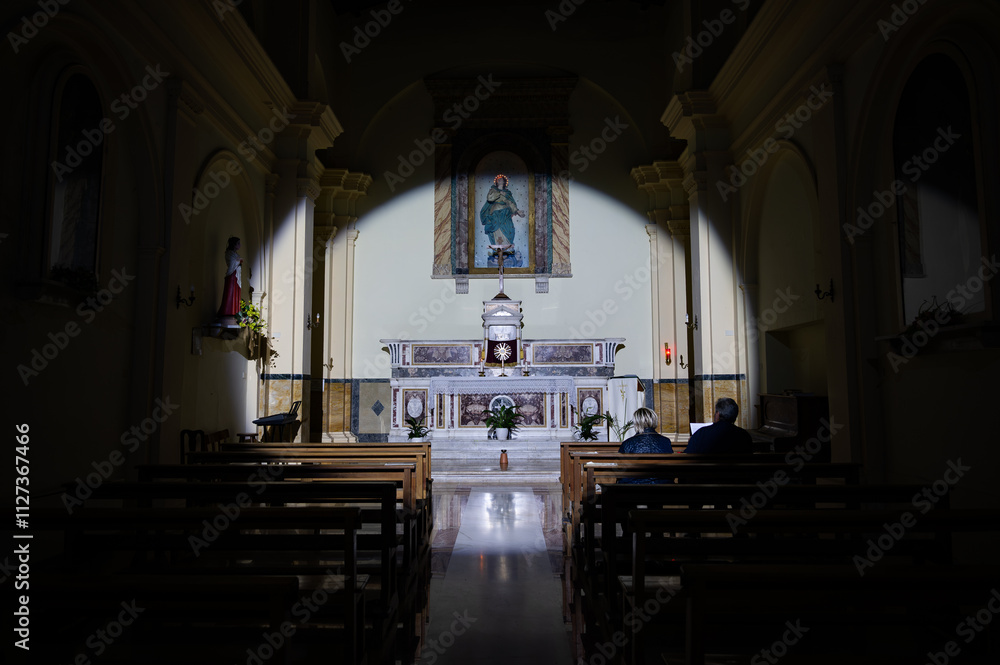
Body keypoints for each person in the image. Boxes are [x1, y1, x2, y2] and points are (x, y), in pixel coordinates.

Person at [617, 407, 673, 484]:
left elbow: (620, 472)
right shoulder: (666, 441)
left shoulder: (627, 443)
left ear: (636, 423)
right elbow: (670, 469)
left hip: (634, 487)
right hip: (662, 485)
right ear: (654, 420)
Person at [684, 397, 754, 454]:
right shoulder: (744, 435)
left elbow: (688, 456)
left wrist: (692, 441)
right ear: (735, 416)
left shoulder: (701, 433)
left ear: (717, 414)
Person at [480, 174, 524, 249]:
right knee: (496, 228)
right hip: (495, 214)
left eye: (501, 179)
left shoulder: (507, 193)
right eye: (498, 179)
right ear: (496, 182)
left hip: (506, 214)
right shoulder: (493, 190)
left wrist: (517, 211)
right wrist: (499, 193)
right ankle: (497, 248)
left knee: (509, 228)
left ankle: (507, 248)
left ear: (504, 182)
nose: (500, 180)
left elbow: (510, 203)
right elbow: (489, 198)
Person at [217, 236, 243, 317]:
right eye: (238, 243)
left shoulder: (235, 254)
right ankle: (227, 311)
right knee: (230, 292)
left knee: (235, 292)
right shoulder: (229, 253)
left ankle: (235, 311)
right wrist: (238, 261)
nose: (240, 245)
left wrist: (239, 261)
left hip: (236, 275)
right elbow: (231, 263)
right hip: (231, 275)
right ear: (234, 244)